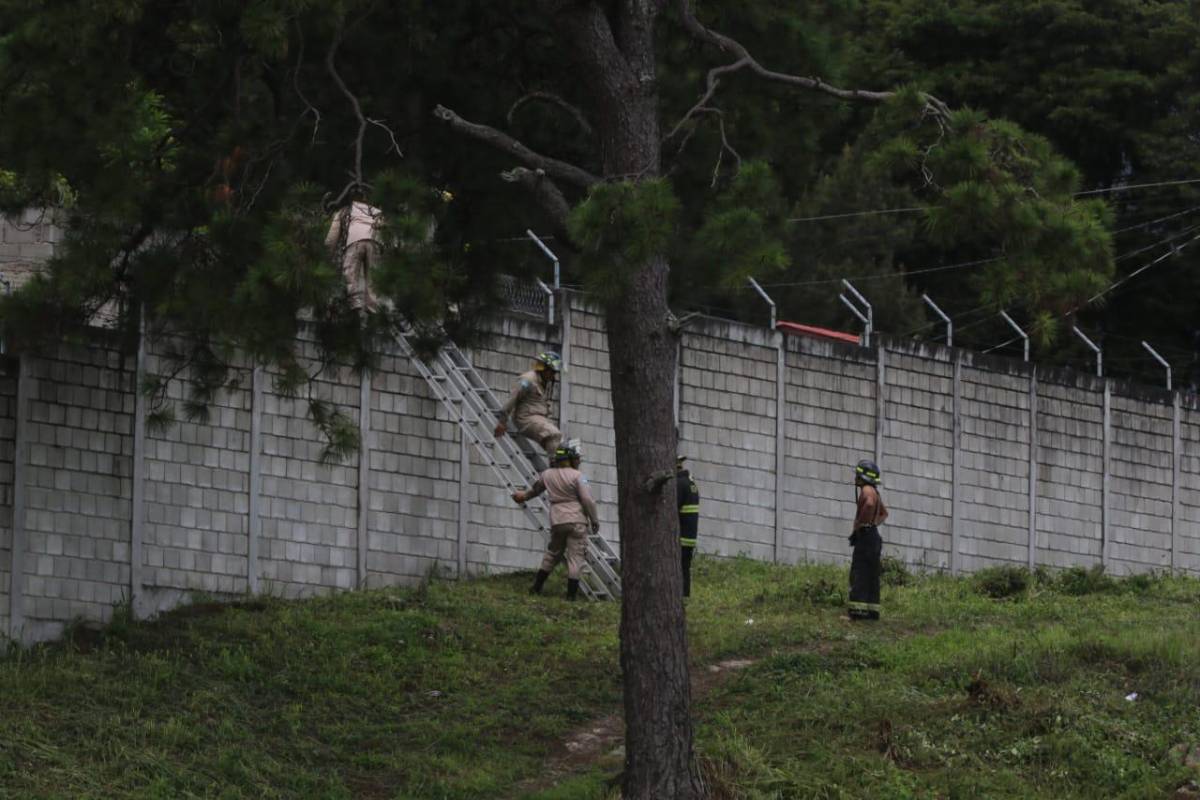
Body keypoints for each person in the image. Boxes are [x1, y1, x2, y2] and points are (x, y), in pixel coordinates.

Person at [512, 441, 599, 601]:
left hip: (557, 520)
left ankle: (536, 587)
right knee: (576, 557)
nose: (578, 461)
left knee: (552, 553)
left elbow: (535, 491)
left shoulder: (547, 474)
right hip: (576, 521)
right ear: (571, 459)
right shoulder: (579, 476)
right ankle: (570, 597)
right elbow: (587, 499)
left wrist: (522, 496)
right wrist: (594, 520)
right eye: (577, 458)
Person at [495, 352, 563, 457]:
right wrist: (502, 422)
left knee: (562, 447)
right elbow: (512, 399)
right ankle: (554, 468)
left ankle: (560, 468)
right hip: (525, 418)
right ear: (544, 368)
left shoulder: (544, 381)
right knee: (553, 434)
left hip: (539, 419)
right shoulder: (528, 380)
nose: (553, 375)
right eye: (552, 371)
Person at [325, 201, 384, 312]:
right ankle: (372, 306)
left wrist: (327, 255)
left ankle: (355, 300)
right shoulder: (376, 210)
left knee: (350, 270)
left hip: (355, 241)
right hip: (375, 242)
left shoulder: (344, 210)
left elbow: (332, 236)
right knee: (373, 275)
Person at [848, 459, 888, 621]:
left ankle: (857, 614)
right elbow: (884, 513)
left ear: (863, 477)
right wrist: (872, 524)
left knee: (859, 573)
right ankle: (872, 613)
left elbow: (870, 505)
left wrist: (861, 525)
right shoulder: (875, 491)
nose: (856, 477)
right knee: (872, 576)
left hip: (866, 537)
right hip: (874, 536)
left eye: (858, 474)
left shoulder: (866, 490)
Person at [676, 456, 700, 597]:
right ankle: (685, 595)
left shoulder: (679, 484)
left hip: (681, 536)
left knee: (679, 568)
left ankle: (681, 595)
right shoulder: (692, 484)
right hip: (690, 536)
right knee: (685, 568)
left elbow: (673, 509)